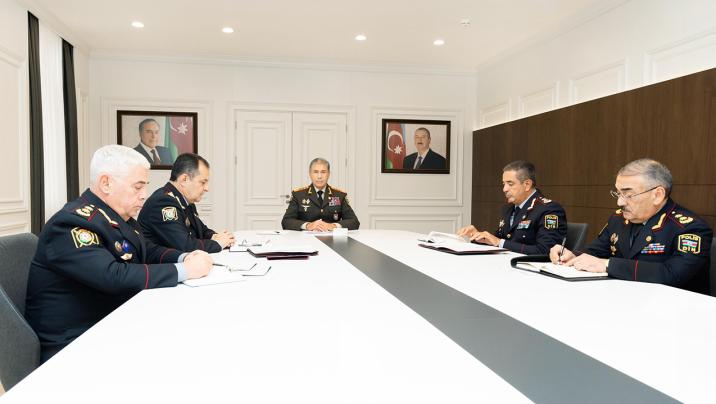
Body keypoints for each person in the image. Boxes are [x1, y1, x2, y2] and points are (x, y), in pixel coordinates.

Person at [25, 145, 212, 362]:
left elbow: (147, 249)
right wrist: (184, 270)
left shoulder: (115, 217)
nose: (144, 195)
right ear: (106, 183)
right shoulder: (71, 223)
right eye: (137, 187)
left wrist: (183, 257)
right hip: (76, 343)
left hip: (111, 320)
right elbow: (112, 276)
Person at [550, 159, 712, 293]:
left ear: (657, 195)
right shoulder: (618, 219)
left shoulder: (690, 228)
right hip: (624, 299)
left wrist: (607, 265)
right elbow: (596, 251)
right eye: (618, 193)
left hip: (672, 310)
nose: (620, 202)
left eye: (628, 194)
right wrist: (573, 255)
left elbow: (671, 274)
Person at [457, 160, 567, 254]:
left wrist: (499, 242)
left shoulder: (549, 210)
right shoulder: (508, 208)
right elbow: (497, 241)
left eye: (510, 184)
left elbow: (546, 251)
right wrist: (478, 236)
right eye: (503, 184)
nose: (504, 189)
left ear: (527, 185)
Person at [138, 153, 234, 252]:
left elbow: (201, 230)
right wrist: (218, 243)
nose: (207, 188)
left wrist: (217, 236)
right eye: (203, 182)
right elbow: (185, 246)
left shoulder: (185, 201)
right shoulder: (163, 202)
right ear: (184, 179)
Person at [282, 158, 360, 231]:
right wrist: (308, 225)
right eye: (315, 172)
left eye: (323, 172)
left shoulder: (339, 195)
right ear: (310, 174)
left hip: (331, 238)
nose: (319, 176)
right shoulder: (298, 195)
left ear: (328, 174)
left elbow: (354, 222)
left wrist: (333, 226)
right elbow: (286, 221)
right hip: (306, 239)